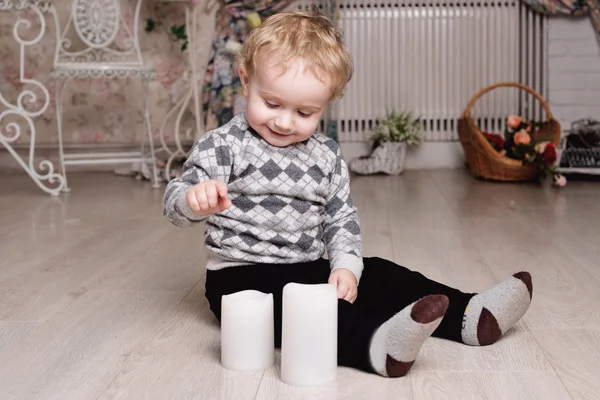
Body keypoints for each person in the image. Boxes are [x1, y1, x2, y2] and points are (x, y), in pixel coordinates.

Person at [163, 7, 533, 378]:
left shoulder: (325, 154)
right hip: (240, 279)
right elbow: (174, 203)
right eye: (272, 103)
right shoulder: (223, 145)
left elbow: (340, 218)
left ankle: (469, 315)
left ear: (325, 104)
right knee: (311, 311)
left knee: (383, 275)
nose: (284, 121)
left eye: (305, 112)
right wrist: (194, 199)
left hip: (308, 268)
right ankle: (376, 344)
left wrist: (345, 267)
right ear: (246, 80)